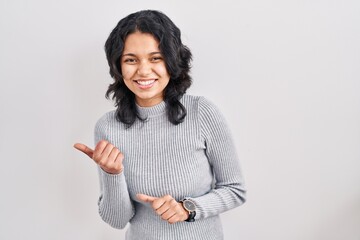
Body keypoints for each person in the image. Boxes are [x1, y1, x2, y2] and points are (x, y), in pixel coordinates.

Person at [74, 9, 246, 240]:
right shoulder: (108, 127)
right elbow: (117, 220)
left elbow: (235, 190)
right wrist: (111, 173)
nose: (144, 70)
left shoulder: (201, 112)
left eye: (156, 58)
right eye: (131, 60)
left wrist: (188, 208)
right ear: (118, 66)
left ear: (172, 61)